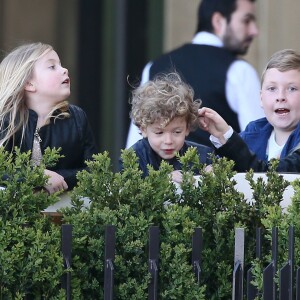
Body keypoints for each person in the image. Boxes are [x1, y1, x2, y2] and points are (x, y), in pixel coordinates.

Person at [126, 0, 264, 148]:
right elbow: (258, 145)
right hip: (219, 171)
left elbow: (133, 150)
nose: (254, 31)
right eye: (246, 20)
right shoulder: (240, 70)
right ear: (218, 21)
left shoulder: (153, 66)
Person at [0, 42, 98, 194]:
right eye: (52, 67)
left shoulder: (77, 118)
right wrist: (37, 176)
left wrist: (60, 178)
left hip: (63, 213)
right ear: (29, 83)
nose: (64, 70)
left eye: (61, 64)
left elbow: (94, 171)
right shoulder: (7, 121)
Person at [198, 49, 300, 172]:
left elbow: (269, 176)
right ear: (261, 98)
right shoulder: (252, 132)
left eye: (292, 89)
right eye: (272, 88)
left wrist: (226, 135)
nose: (280, 97)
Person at [121, 72, 213, 183]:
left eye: (177, 132)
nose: (168, 141)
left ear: (187, 128)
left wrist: (213, 171)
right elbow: (128, 194)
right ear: (143, 129)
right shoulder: (133, 159)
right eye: (159, 133)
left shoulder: (204, 156)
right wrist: (161, 179)